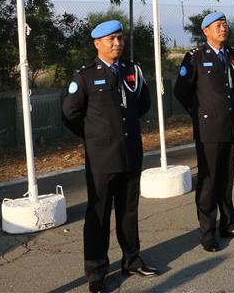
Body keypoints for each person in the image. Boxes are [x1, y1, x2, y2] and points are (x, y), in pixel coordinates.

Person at [62, 20, 159, 291]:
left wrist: (120, 128)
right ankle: (96, 273)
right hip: (102, 158)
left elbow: (143, 102)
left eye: (119, 38)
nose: (117, 43)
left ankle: (132, 259)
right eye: (110, 40)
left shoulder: (132, 70)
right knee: (99, 216)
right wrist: (96, 135)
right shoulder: (85, 76)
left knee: (129, 211)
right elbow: (70, 114)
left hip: (130, 153)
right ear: (97, 44)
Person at [173, 12, 234, 252]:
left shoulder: (231, 55)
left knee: (226, 180)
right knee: (208, 182)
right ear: (206, 31)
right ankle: (207, 232)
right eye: (218, 25)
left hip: (229, 125)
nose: (223, 28)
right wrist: (199, 113)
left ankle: (228, 223)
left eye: (225, 24)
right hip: (208, 128)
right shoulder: (195, 58)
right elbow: (181, 91)